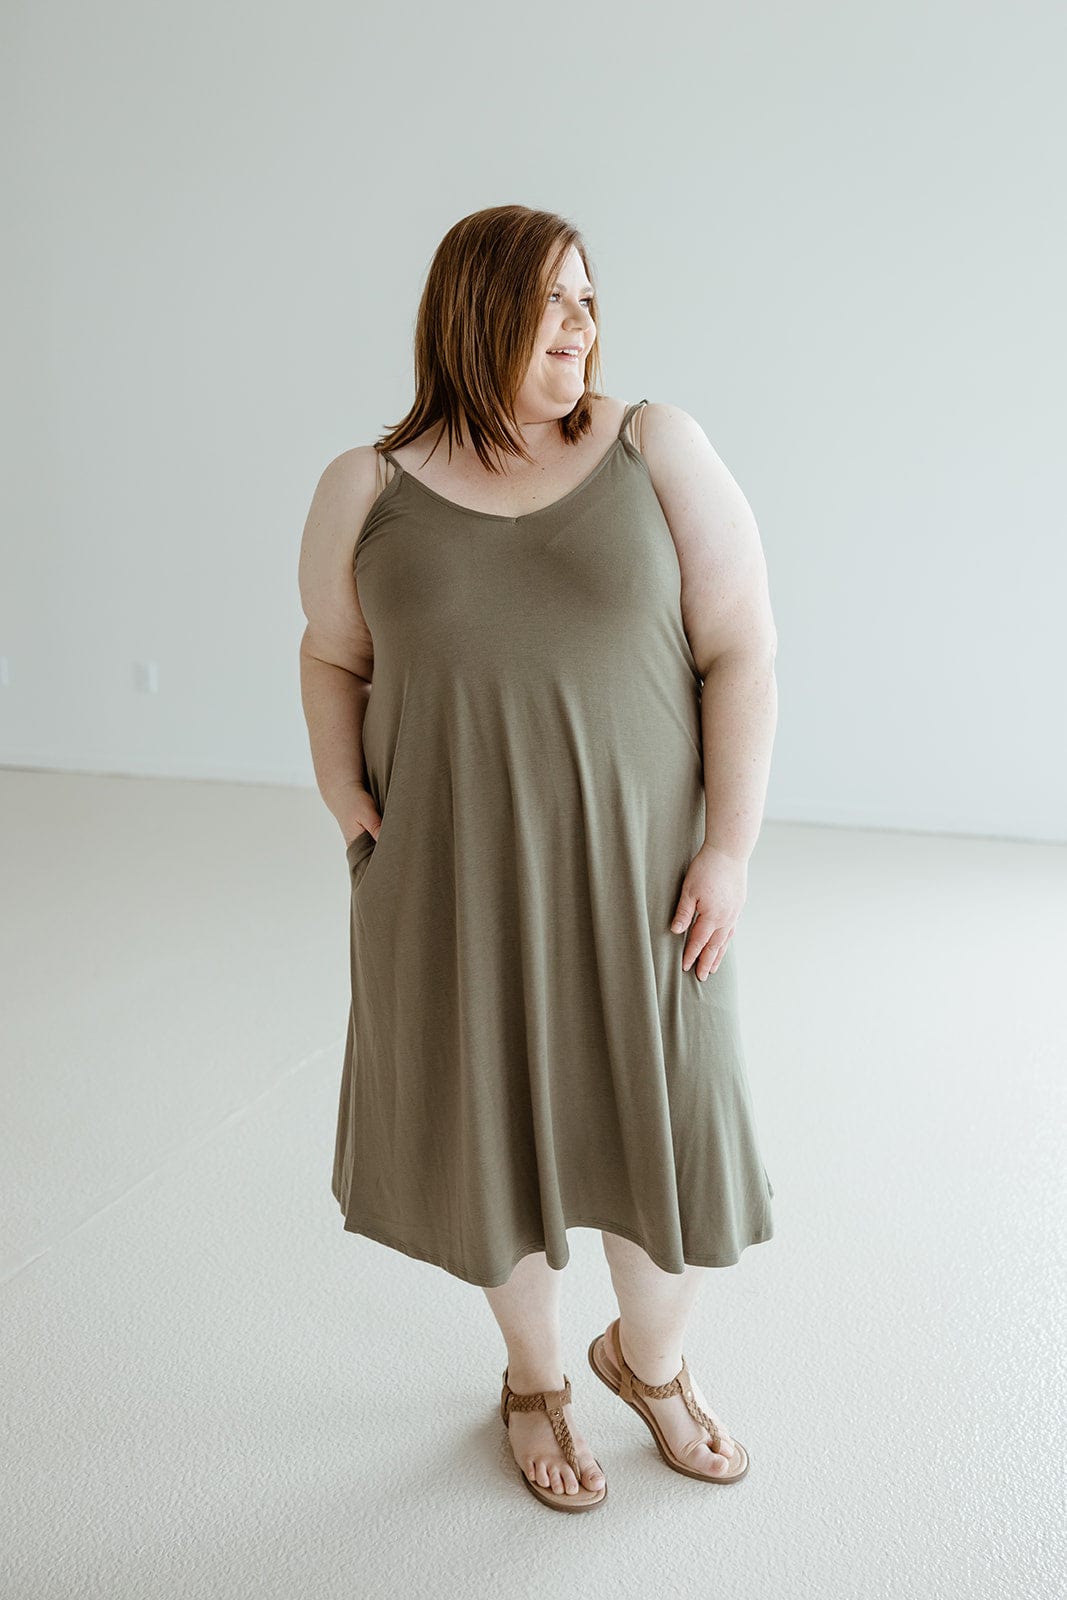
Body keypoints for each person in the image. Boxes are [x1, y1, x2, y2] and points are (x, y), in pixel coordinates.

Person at [297, 205, 779, 1513]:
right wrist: (347, 799)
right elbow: (333, 654)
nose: (583, 323)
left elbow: (742, 645)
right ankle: (533, 1382)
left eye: (589, 299)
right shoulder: (370, 484)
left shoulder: (651, 446)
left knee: (661, 1146)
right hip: (455, 896)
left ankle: (652, 1364)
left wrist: (726, 850)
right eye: (551, 300)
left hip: (646, 891)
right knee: (492, 1154)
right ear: (473, 312)